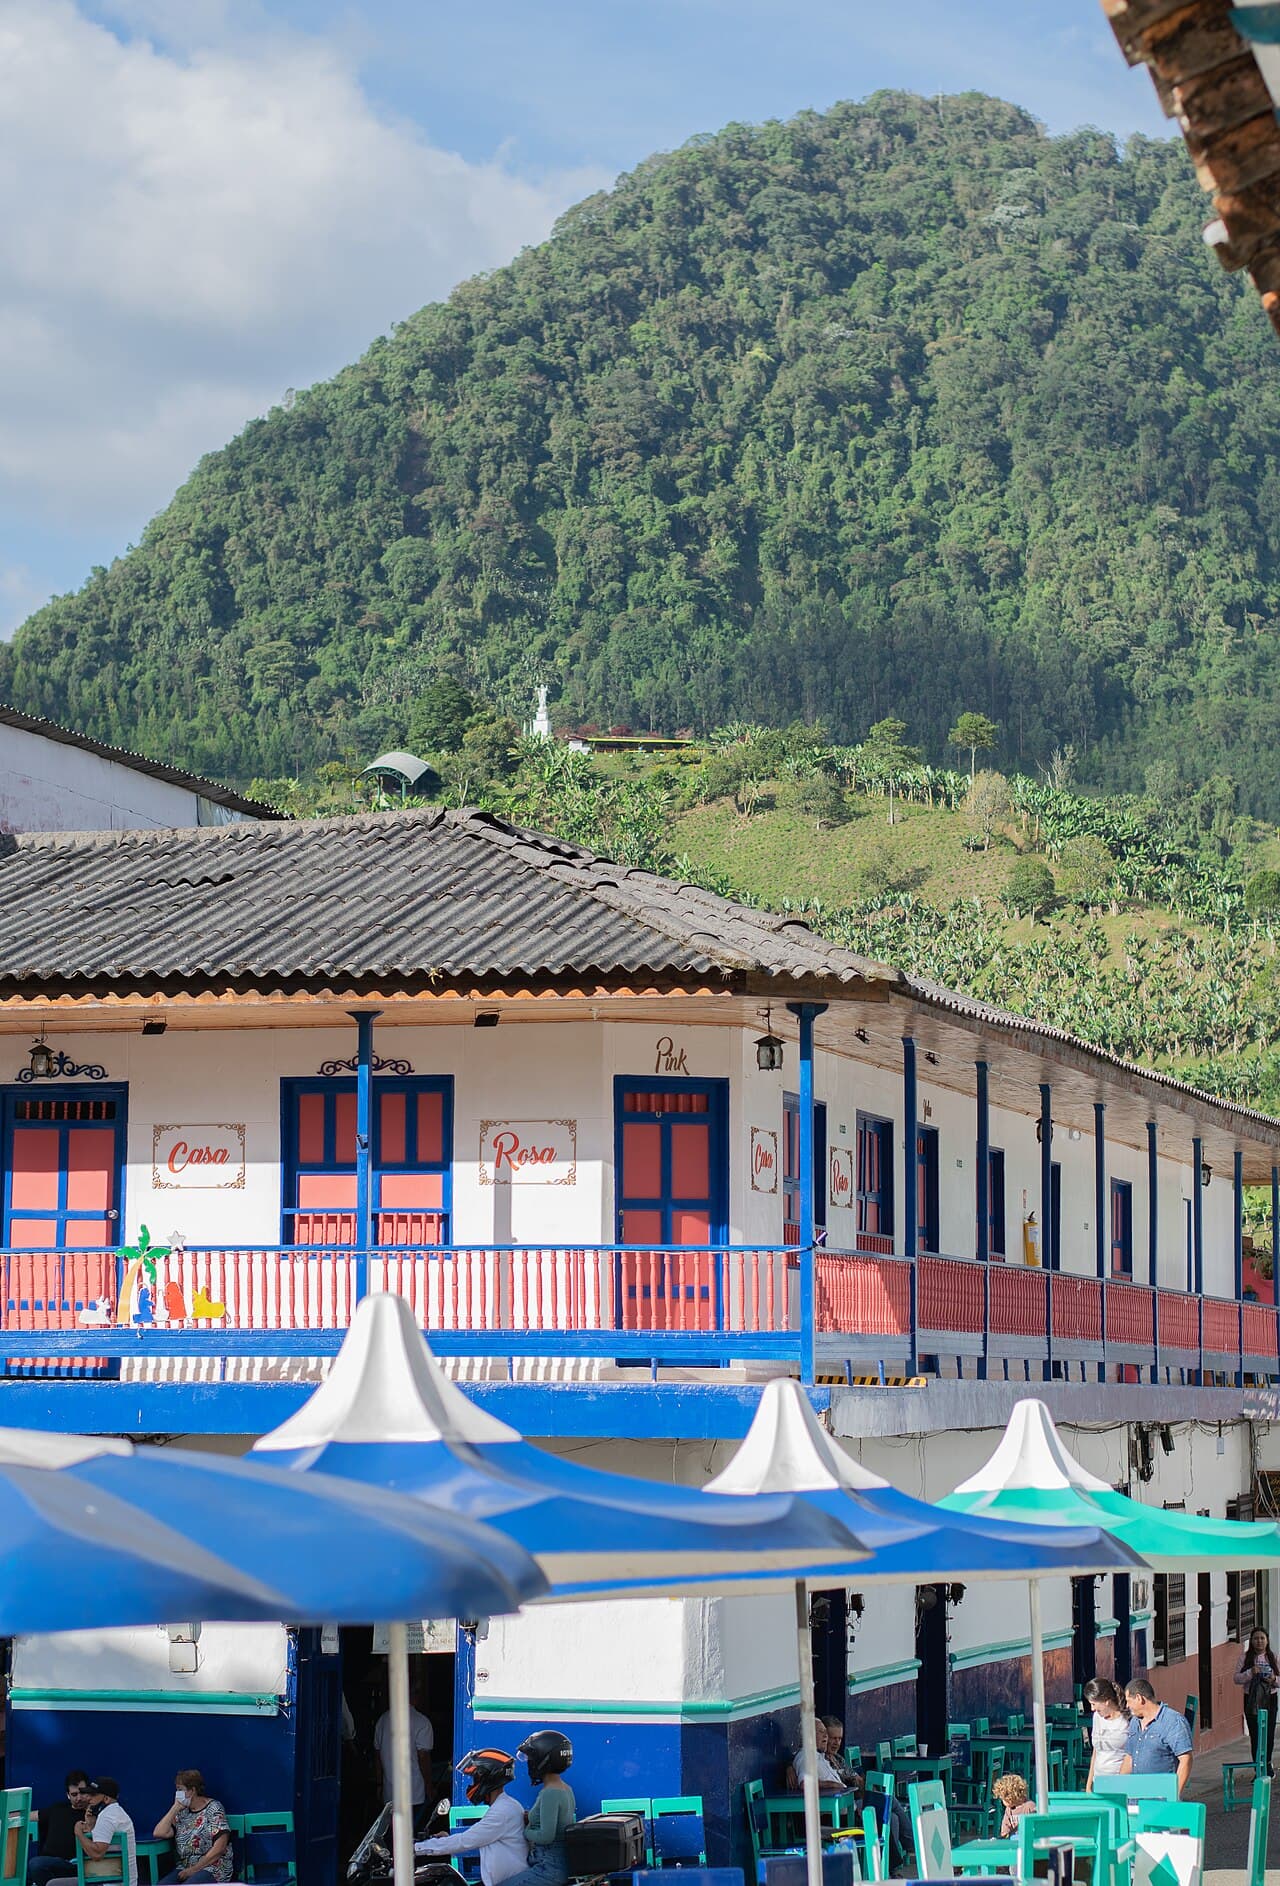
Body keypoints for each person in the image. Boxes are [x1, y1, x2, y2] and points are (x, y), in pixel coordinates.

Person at [415, 1750, 527, 1886]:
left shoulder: (502, 1811)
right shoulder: (505, 1805)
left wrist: (417, 1848)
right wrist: (447, 1837)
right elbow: (480, 1835)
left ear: (487, 1778)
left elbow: (466, 1841)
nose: (472, 1784)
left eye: (475, 1778)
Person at [821, 1717, 910, 1870]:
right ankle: (911, 1846)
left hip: (858, 1800)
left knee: (892, 1817)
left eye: (839, 1739)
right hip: (849, 1806)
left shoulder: (838, 1758)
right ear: (824, 1737)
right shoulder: (820, 1760)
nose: (836, 1743)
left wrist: (858, 1781)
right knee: (890, 1806)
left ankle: (888, 1868)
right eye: (832, 1738)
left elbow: (858, 1780)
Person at [504, 1732, 575, 1886]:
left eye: (531, 1758)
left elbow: (546, 1836)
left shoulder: (550, 1793)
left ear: (543, 1759)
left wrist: (525, 1830)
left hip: (548, 1867)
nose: (529, 1763)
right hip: (557, 1864)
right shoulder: (565, 1789)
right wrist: (532, 1817)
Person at [151, 1770, 232, 1884]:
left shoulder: (214, 1808)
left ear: (192, 1790)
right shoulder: (182, 1812)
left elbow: (220, 1847)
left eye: (180, 1789)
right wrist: (175, 1808)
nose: (177, 1793)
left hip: (213, 1868)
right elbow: (159, 1832)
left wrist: (194, 1870)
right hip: (185, 1867)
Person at [373, 1687, 435, 1831]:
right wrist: (429, 1787)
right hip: (414, 1792)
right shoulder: (421, 1722)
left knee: (392, 1834)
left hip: (390, 1791)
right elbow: (423, 1758)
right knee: (413, 1834)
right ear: (415, 1697)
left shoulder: (383, 1720)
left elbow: (377, 1755)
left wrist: (379, 1784)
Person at [1121, 1680, 1193, 1796]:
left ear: (1139, 1698)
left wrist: (1174, 1795)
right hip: (1136, 1795)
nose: (1127, 1706)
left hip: (1161, 1796)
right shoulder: (1135, 1722)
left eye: (1129, 1701)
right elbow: (1129, 1757)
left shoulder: (1173, 1721)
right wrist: (1121, 1788)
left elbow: (1186, 1759)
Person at [61, 1779, 137, 1886]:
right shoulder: (116, 1812)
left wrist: (78, 1833)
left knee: (53, 1884)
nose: (88, 1798)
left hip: (110, 1882)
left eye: (93, 1795)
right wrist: (91, 1825)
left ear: (106, 1799)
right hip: (123, 1881)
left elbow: (97, 1854)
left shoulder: (106, 1817)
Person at [29, 1773, 92, 1886]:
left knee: (36, 1864)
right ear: (68, 1795)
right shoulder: (57, 1808)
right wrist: (4, 1817)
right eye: (74, 1794)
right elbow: (29, 1816)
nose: (79, 1798)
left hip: (74, 1865)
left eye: (82, 1793)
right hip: (49, 1862)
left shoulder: (93, 1814)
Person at [1234, 1626, 1280, 1773]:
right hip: (1251, 1699)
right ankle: (1257, 1770)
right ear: (1251, 1641)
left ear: (1267, 1641)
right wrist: (1250, 1673)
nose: (1259, 1641)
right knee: (1255, 1734)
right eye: (1256, 1638)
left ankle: (1267, 1764)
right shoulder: (1245, 1658)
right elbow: (1236, 1678)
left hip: (1269, 1699)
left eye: (1262, 1638)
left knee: (1268, 1733)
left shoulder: (1274, 1658)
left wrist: (1274, 1679)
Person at [1083, 1677, 1130, 1788]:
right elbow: (1096, 1751)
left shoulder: (1126, 1720)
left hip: (1120, 1782)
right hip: (1099, 1781)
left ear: (1106, 1701)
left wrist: (1120, 1782)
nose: (1092, 1708)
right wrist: (1089, 1784)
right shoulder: (1097, 1717)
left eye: (1094, 1704)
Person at [790, 1720, 846, 1794]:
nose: (826, 1735)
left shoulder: (821, 1756)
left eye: (826, 1732)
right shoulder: (806, 1756)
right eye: (821, 1731)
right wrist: (832, 1785)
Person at [991, 1772, 1034, 1840]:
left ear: (1009, 1798)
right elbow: (1005, 1830)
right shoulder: (1009, 1809)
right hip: (1013, 1841)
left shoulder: (1030, 1807)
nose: (1002, 1802)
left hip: (1028, 1839)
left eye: (1003, 1799)